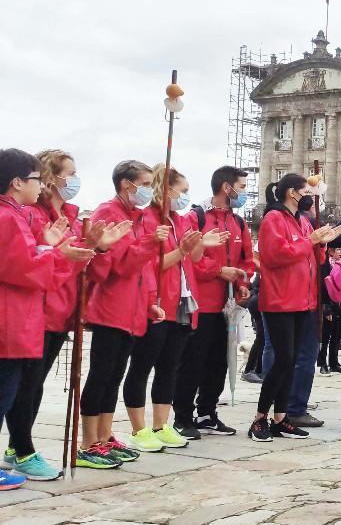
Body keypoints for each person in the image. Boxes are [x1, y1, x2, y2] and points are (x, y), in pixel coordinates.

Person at [5, 150, 120, 481]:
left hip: (62, 309)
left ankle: (19, 446)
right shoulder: (29, 214)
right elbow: (30, 264)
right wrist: (58, 252)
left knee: (34, 383)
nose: (75, 179)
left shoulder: (69, 216)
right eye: (70, 173)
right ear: (50, 177)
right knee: (26, 385)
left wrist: (96, 248)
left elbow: (83, 269)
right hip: (37, 309)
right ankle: (21, 448)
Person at [124, 166, 228, 452]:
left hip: (183, 302)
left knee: (169, 368)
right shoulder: (148, 219)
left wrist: (198, 244)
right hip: (158, 301)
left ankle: (161, 424)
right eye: (181, 191)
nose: (185, 197)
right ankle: (138, 428)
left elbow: (191, 258)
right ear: (166, 189)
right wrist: (182, 250)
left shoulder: (181, 220)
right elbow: (152, 263)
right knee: (142, 366)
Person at [79, 160, 170, 468]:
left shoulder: (139, 216)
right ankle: (88, 441)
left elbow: (143, 270)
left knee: (115, 375)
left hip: (132, 309)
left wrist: (148, 302)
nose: (148, 190)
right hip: (110, 308)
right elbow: (115, 266)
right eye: (144, 184)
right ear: (126, 185)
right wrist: (148, 242)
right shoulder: (109, 213)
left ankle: (104, 436)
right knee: (101, 375)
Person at [249, 174, 341, 442]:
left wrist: (321, 242)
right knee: (282, 359)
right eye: (305, 190)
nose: (309, 195)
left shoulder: (301, 221)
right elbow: (276, 255)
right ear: (292, 193)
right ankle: (260, 417)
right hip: (280, 299)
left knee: (291, 361)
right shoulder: (273, 219)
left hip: (303, 299)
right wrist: (310, 241)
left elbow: (313, 258)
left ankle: (282, 416)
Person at [174, 165, 254, 438]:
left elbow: (247, 258)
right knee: (193, 360)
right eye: (241, 187)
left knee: (220, 361)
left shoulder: (238, 222)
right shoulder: (196, 217)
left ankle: (207, 411)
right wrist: (219, 271)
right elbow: (189, 257)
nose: (244, 192)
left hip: (227, 305)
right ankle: (182, 416)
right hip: (201, 303)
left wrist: (243, 283)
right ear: (226, 187)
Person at [317, 246, 341, 375]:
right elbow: (324, 287)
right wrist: (327, 308)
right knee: (326, 336)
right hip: (330, 304)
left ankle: (334, 361)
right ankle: (323, 362)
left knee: (337, 335)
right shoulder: (326, 266)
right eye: (338, 249)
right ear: (330, 251)